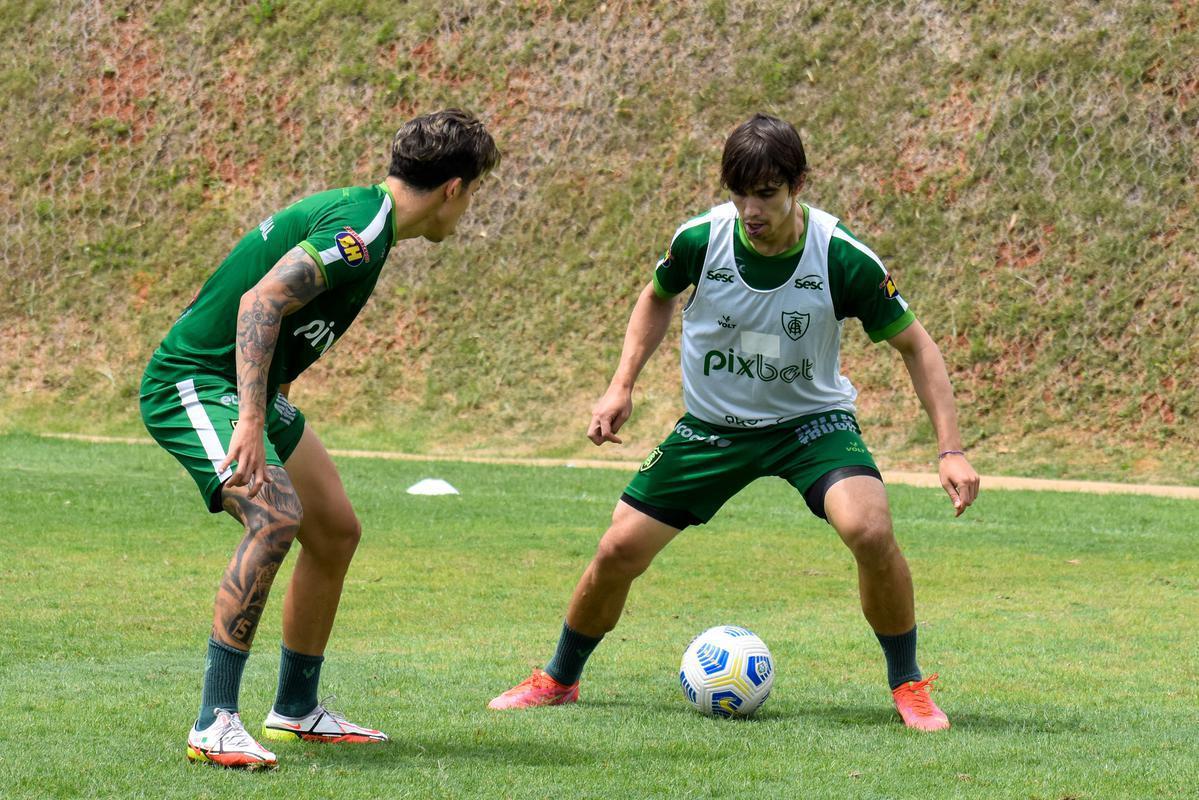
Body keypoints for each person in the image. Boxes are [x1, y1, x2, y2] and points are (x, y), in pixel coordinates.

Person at [489, 113, 978, 731]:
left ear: (799, 184)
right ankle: (559, 679)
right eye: (740, 193)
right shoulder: (700, 240)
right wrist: (621, 385)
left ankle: (909, 685)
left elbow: (918, 347)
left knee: (871, 531)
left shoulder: (841, 257)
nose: (751, 209)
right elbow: (656, 296)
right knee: (617, 549)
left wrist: (950, 449)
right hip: (713, 427)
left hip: (810, 425)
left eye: (767, 193)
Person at [140, 109, 500, 769]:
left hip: (247, 390)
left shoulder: (368, 218)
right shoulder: (361, 230)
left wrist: (268, 402)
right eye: (473, 192)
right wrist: (251, 421)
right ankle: (213, 723)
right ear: (453, 188)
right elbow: (260, 302)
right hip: (194, 381)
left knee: (334, 531)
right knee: (274, 516)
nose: (468, 207)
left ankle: (296, 709)